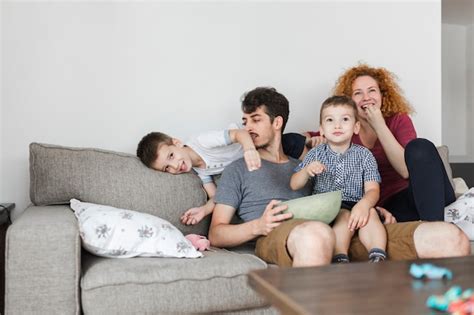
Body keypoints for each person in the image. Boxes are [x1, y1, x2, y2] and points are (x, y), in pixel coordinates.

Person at [209, 86, 470, 267]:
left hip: (343, 230)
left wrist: (372, 207)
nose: (247, 128)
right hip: (282, 234)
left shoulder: (306, 160)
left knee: (449, 236)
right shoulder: (238, 169)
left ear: (277, 123)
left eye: (255, 120)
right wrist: (258, 226)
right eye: (244, 122)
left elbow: (343, 192)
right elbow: (216, 234)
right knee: (315, 234)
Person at [307, 64, 456, 222]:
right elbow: (296, 140)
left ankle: (435, 227)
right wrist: (310, 140)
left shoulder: (399, 120)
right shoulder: (344, 129)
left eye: (372, 90)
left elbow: (405, 170)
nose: (366, 97)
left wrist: (379, 126)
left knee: (419, 146)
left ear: (382, 95)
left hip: (422, 193)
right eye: (358, 93)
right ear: (349, 102)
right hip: (390, 205)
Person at [290, 95, 387, 263]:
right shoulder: (316, 154)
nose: (337, 125)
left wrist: (364, 205)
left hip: (357, 202)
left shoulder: (365, 155)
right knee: (343, 215)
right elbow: (294, 184)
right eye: (330, 120)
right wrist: (306, 171)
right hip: (328, 207)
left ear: (356, 127)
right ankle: (340, 256)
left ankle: (378, 255)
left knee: (371, 213)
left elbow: (373, 190)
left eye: (345, 119)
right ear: (321, 129)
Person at [136, 127, 261, 225]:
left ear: (177, 143)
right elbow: (217, 196)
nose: (175, 166)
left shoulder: (201, 142)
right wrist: (204, 210)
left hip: (255, 139)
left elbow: (240, 134)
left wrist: (249, 150)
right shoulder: (200, 172)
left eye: (171, 156)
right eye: (167, 168)